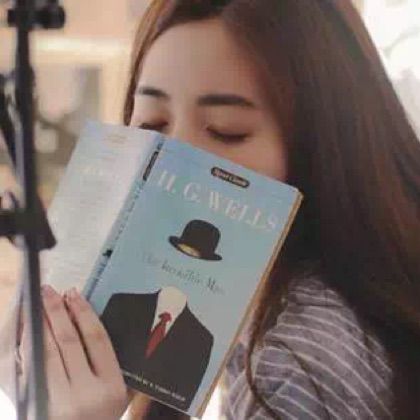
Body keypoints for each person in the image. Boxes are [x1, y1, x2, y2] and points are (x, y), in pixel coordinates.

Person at [2, 0, 420, 418]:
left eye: (226, 131)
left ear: (324, 147)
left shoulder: (301, 362)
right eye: (151, 123)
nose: (173, 167)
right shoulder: (240, 319)